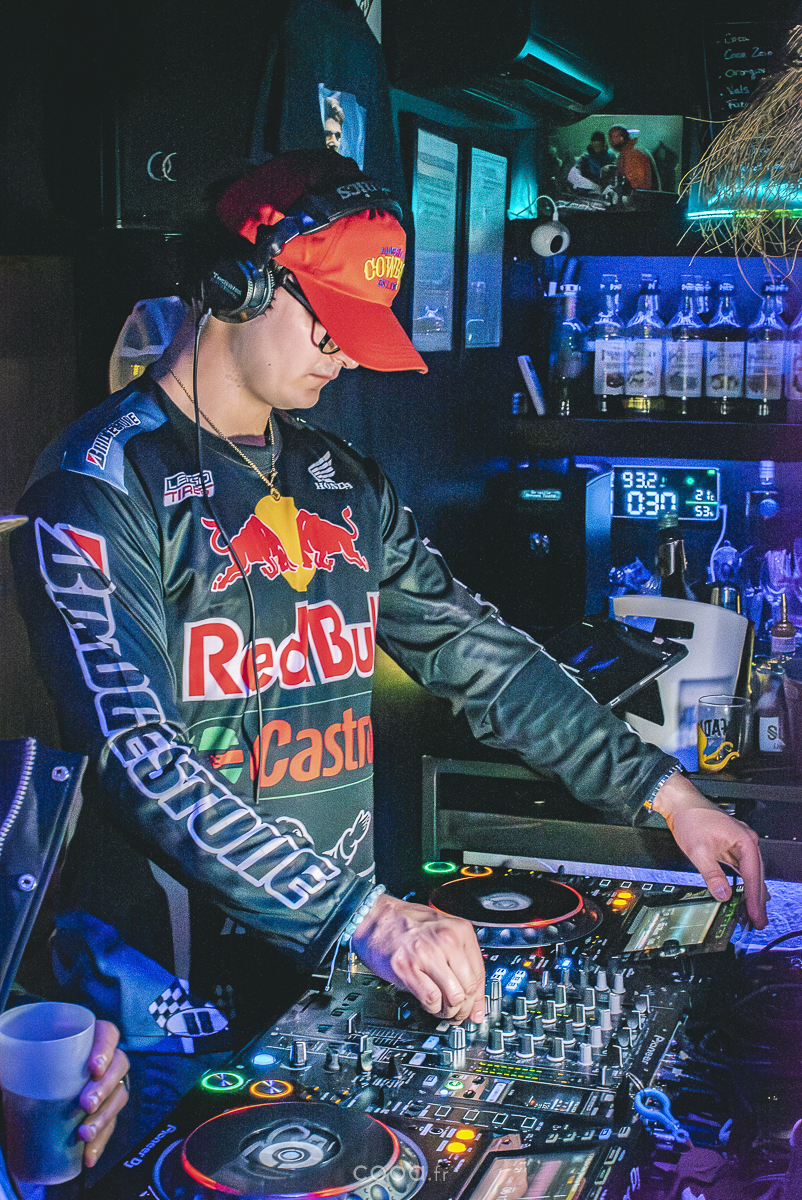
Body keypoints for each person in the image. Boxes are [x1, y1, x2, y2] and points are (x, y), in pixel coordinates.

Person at [9, 149, 767, 1095]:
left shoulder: (340, 480)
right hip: (159, 1011)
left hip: (326, 978)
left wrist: (665, 792)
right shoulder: (97, 487)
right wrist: (366, 917)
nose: (342, 351)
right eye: (327, 318)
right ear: (240, 283)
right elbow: (137, 754)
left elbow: (479, 655)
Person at [608, 124, 661, 192]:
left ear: (622, 138)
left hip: (644, 197)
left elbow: (639, 186)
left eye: (614, 137)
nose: (611, 141)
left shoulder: (633, 153)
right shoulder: (628, 151)